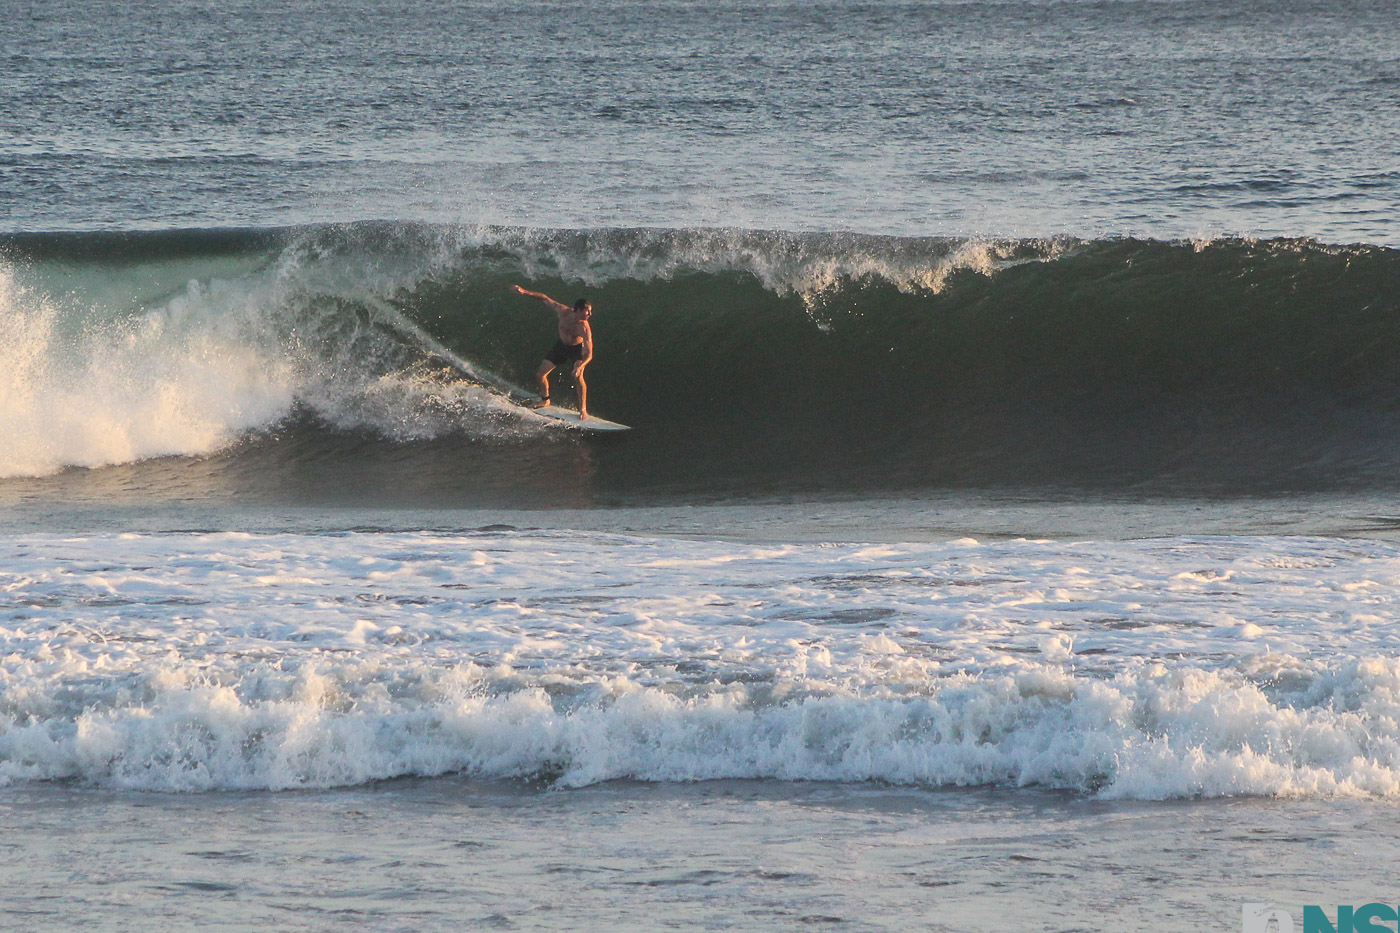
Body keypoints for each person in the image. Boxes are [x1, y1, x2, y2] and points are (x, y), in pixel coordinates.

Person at [511, 284, 593, 420]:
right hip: (561, 347)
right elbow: (545, 298)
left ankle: (583, 410)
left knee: (578, 377)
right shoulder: (563, 311)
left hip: (576, 350)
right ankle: (545, 400)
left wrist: (580, 367)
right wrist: (524, 292)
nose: (590, 314)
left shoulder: (584, 328)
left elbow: (590, 354)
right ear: (578, 310)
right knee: (540, 374)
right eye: (587, 311)